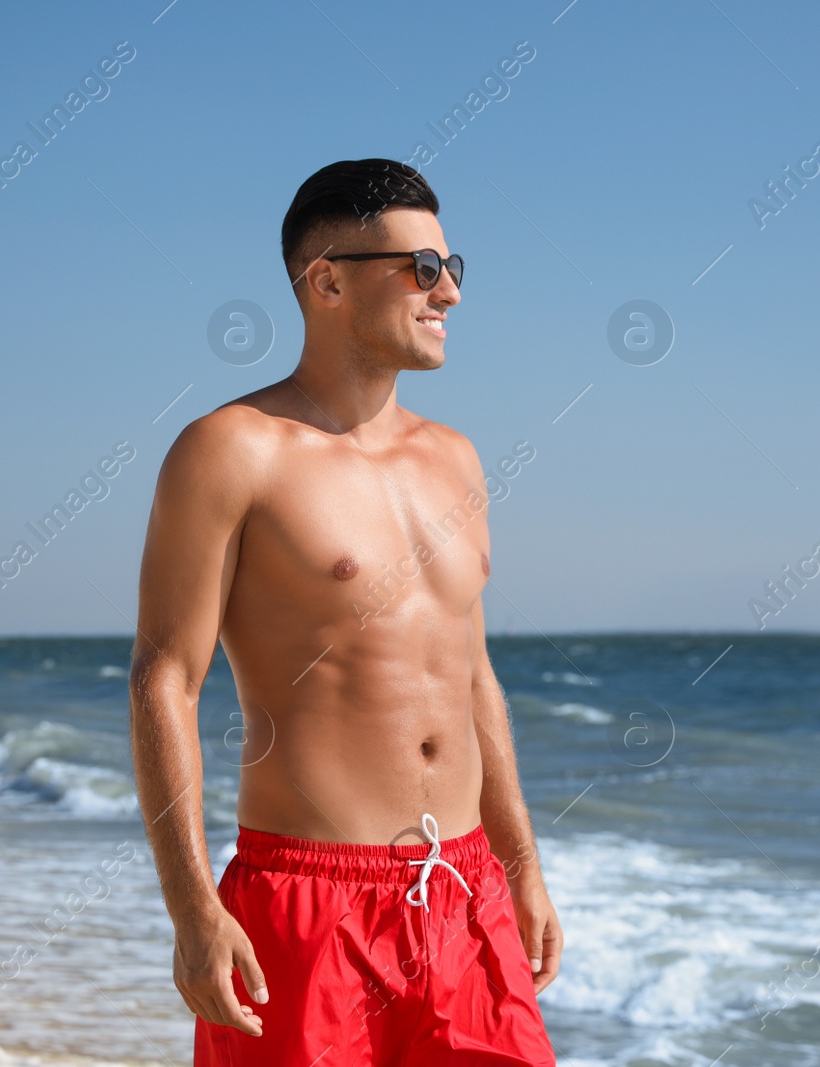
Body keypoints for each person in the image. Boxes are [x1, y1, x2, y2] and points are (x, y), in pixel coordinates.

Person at [129, 159, 561, 1065]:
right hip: (306, 902)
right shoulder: (231, 451)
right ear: (326, 279)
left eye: (452, 267)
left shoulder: (459, 461)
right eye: (419, 268)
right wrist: (193, 909)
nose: (446, 291)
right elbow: (166, 677)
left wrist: (520, 867)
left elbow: (472, 671)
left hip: (465, 890)